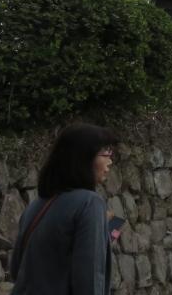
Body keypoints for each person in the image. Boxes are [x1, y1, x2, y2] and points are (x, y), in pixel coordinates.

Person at [10, 123, 119, 294]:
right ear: (84, 158)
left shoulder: (36, 206)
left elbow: (17, 269)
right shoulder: (90, 203)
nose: (110, 161)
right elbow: (89, 278)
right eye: (105, 153)